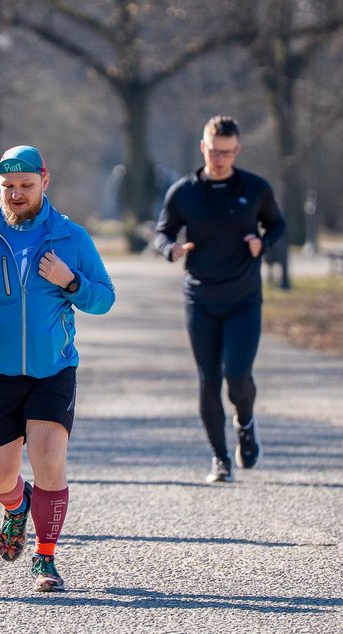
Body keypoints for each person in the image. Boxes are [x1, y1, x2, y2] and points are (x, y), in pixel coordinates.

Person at [0, 145, 115, 592]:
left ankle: (45, 558)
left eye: (25, 186)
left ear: (44, 181)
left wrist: (70, 281)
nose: (16, 195)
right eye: (8, 187)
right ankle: (18, 507)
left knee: (49, 459)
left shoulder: (71, 238)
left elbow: (104, 297)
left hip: (52, 370)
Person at [154, 116, 285, 484]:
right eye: (214, 151)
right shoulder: (184, 192)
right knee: (209, 379)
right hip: (200, 298)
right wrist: (171, 248)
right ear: (203, 147)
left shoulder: (255, 188)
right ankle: (220, 458)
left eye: (227, 152)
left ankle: (245, 421)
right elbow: (162, 232)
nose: (220, 158)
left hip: (243, 298)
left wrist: (264, 243)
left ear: (237, 150)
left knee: (237, 375)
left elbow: (277, 223)